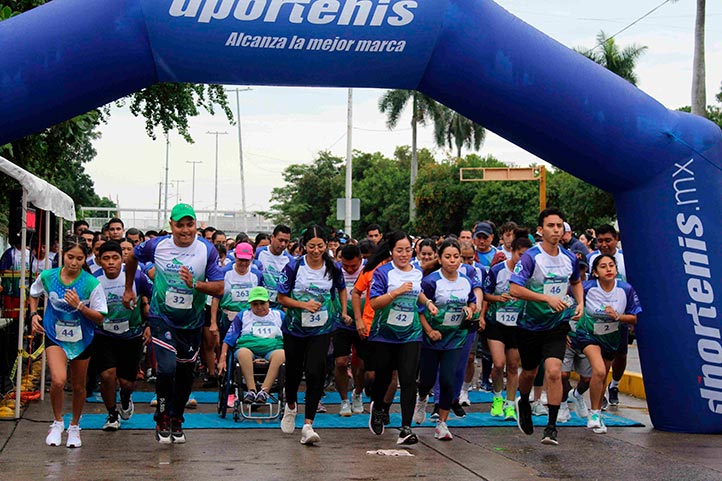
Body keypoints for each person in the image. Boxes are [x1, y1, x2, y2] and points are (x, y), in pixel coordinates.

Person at [122, 203, 224, 444]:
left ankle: (177, 416)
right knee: (167, 369)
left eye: (190, 225)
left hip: (191, 321)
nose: (185, 230)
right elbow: (132, 258)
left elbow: (219, 288)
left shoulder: (206, 250)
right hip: (161, 317)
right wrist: (129, 288)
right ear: (171, 225)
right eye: (180, 225)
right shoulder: (157, 245)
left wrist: (195, 285)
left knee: (186, 373)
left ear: (196, 226)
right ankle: (163, 416)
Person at [509, 208, 584, 446]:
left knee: (553, 372)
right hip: (529, 325)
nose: (556, 230)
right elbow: (515, 289)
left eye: (559, 226)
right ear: (540, 230)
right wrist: (546, 298)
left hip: (556, 325)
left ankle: (551, 428)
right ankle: (522, 400)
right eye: (551, 226)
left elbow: (576, 282)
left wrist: (580, 303)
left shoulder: (569, 258)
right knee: (530, 372)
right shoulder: (531, 257)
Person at [29, 237, 107, 447]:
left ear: (86, 259)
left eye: (79, 258)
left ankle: (74, 426)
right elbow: (33, 293)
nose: (74, 263)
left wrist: (80, 306)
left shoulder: (91, 283)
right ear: (62, 255)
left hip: (82, 339)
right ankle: (57, 422)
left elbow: (100, 317)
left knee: (79, 386)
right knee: (58, 380)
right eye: (70, 257)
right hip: (55, 335)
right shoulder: (48, 276)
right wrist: (34, 315)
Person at [276, 225, 348, 445]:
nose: (316, 251)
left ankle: (308, 424)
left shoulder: (333, 267)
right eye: (311, 246)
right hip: (295, 329)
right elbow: (281, 298)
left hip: (322, 328)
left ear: (326, 245)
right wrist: (302, 305)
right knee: (295, 372)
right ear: (303, 246)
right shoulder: (294, 267)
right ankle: (290, 406)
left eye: (320, 246)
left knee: (315, 370)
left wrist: (343, 311)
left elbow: (342, 289)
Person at [366, 230, 438, 445]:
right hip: (384, 335)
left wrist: (427, 303)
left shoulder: (416, 270)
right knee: (384, 378)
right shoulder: (383, 273)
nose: (404, 254)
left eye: (408, 250)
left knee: (408, 380)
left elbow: (418, 292)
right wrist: (395, 293)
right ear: (391, 251)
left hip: (411, 333)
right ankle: (378, 407)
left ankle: (406, 428)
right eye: (399, 250)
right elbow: (374, 303)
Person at [413, 239, 476, 441]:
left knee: (449, 379)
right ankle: (422, 398)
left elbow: (473, 303)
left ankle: (442, 423)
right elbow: (419, 309)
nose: (452, 261)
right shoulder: (431, 281)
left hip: (455, 338)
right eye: (448, 257)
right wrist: (430, 331)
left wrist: (470, 310)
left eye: (456, 257)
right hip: (432, 338)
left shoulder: (466, 281)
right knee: (428, 379)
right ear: (439, 259)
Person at [574, 254, 641, 433]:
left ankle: (591, 408)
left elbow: (634, 318)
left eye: (611, 265)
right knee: (600, 370)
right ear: (595, 272)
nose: (609, 269)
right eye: (603, 266)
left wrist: (617, 316)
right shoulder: (587, 288)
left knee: (601, 376)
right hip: (588, 334)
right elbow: (571, 304)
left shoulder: (625, 289)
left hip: (611, 338)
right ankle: (594, 414)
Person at [93, 241, 153, 431]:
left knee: (126, 382)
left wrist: (150, 325)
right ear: (99, 261)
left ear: (122, 259)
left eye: (115, 258)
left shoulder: (136, 276)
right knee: (107, 375)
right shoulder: (94, 280)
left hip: (131, 334)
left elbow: (154, 295)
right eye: (106, 258)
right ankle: (111, 414)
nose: (111, 262)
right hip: (103, 334)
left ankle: (126, 399)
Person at [483, 233, 532, 421]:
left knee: (513, 365)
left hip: (517, 324)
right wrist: (498, 298)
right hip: (496, 323)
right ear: (512, 251)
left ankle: (510, 404)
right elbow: (485, 294)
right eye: (520, 255)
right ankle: (497, 397)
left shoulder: (529, 273)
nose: (523, 260)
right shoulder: (497, 270)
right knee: (499, 363)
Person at [218, 286, 285, 404]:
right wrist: (222, 359)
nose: (259, 307)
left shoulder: (279, 315)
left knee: (282, 354)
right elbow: (228, 339)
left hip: (273, 350)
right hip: (248, 349)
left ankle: (264, 391)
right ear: (250, 304)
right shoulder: (243, 315)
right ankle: (251, 390)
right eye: (255, 304)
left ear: (268, 302)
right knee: (243, 352)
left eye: (262, 303)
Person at [586, 224, 627, 407]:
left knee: (620, 354)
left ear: (616, 239)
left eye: (608, 240)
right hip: (595, 318)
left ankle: (614, 386)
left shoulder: (626, 259)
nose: (603, 245)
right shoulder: (590, 259)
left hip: (620, 317)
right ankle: (598, 397)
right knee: (599, 363)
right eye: (600, 241)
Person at [333, 244, 366, 416]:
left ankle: (358, 394)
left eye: (353, 266)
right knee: (340, 362)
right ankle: (344, 400)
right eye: (346, 265)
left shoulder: (368, 270)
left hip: (363, 323)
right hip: (341, 323)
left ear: (360, 260)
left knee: (360, 364)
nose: (349, 269)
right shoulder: (336, 271)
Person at [255, 225, 293, 309]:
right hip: (259, 301)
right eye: (280, 240)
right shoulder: (259, 253)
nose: (283, 244)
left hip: (278, 304)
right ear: (272, 237)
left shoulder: (290, 260)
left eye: (286, 241)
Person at [0, 232, 33, 320]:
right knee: (12, 317)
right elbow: (2, 270)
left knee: (24, 316)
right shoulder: (10, 253)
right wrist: (19, 272)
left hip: (26, 291)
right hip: (11, 292)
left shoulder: (29, 254)